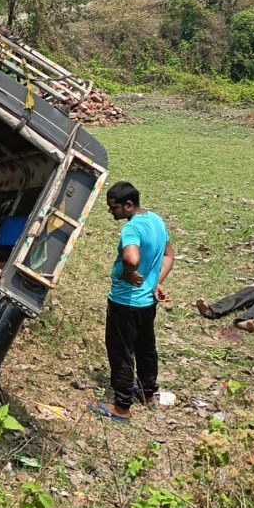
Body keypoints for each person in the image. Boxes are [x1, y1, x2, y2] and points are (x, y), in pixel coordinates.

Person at [90, 181, 174, 422]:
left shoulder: (132, 229)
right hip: (147, 303)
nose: (110, 212)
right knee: (146, 348)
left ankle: (122, 407)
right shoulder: (156, 220)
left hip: (125, 302)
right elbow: (169, 254)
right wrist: (155, 282)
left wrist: (126, 272)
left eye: (114, 208)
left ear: (129, 205)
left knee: (121, 352)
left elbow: (132, 258)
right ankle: (148, 394)